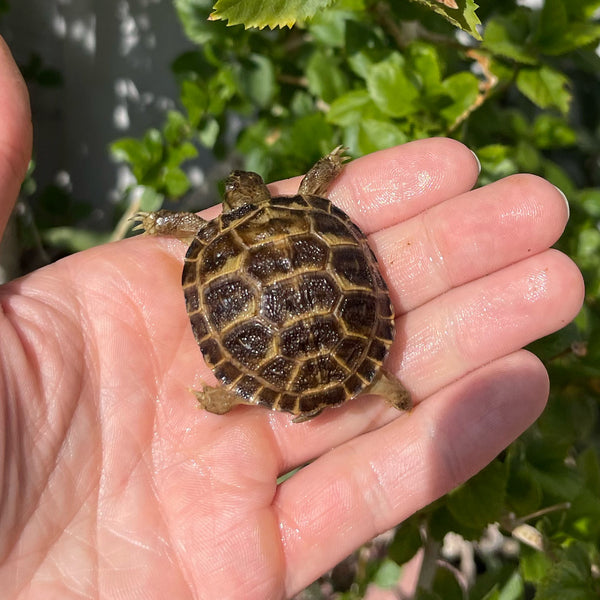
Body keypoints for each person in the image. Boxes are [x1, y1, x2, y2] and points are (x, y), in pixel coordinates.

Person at [0, 36, 584, 599]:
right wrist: (328, 164)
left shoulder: (211, 235)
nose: (234, 190)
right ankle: (379, 383)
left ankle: (246, 395)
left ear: (233, 202)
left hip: (280, 344)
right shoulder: (302, 203)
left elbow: (192, 226)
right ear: (260, 194)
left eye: (235, 190)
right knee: (367, 366)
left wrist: (160, 222)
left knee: (253, 375)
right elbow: (313, 187)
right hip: (343, 330)